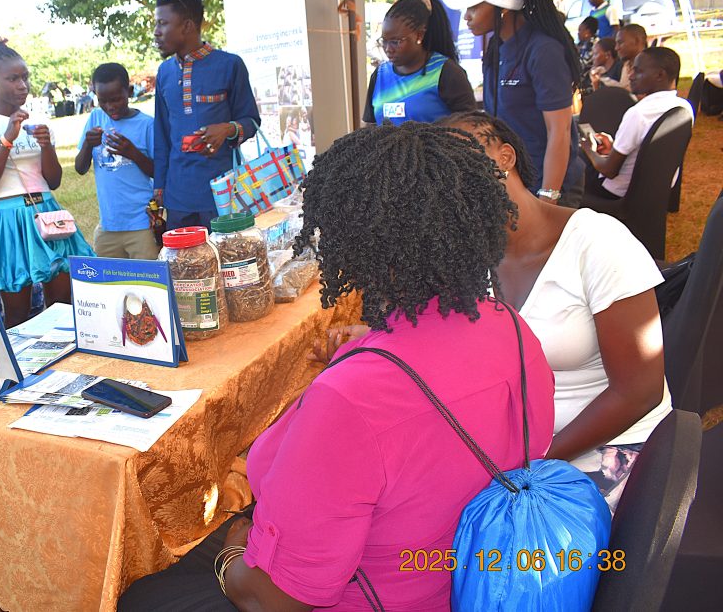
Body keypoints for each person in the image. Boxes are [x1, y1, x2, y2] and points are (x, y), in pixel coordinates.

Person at [119, 122, 556, 611]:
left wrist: (234, 553)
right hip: (471, 579)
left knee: (142, 596)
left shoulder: (353, 399)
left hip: (371, 598)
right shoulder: (513, 331)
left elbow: (275, 599)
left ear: (349, 243)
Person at [438, 111, 671, 511]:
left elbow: (639, 390)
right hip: (517, 450)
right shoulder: (469, 259)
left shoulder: (597, 243)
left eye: (461, 162)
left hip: (611, 447)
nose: (451, 181)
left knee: (501, 555)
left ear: (505, 157)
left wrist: (534, 463)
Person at [0, 39, 94, 326]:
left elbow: (54, 181)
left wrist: (46, 146)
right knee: (18, 315)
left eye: (25, 77)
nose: (23, 85)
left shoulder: (40, 121)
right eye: (13, 78)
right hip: (8, 220)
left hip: (46, 211)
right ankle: (23, 370)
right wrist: (8, 137)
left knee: (63, 306)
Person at [442, 0, 584, 207]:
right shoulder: (498, 49)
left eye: (474, 7)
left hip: (550, 184)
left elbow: (560, 131)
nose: (466, 17)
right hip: (516, 179)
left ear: (502, 6)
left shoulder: (543, 51)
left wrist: (548, 198)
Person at [153, 0, 260, 230]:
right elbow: (161, 135)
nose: (156, 32)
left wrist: (227, 129)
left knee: (227, 265)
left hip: (223, 195)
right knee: (184, 267)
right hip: (178, 198)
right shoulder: (164, 73)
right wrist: (159, 188)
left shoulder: (230, 65)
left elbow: (251, 122)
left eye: (163, 23)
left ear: (187, 26)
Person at [581, 47, 693, 199]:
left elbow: (609, 171)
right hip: (655, 190)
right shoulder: (683, 108)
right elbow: (647, 151)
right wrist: (615, 148)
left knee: (576, 169)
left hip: (618, 193)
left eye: (638, 71)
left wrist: (588, 149)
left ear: (660, 75)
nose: (631, 76)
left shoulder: (639, 113)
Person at [74, 62, 159, 260]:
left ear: (128, 92)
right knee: (109, 285)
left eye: (116, 99)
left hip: (141, 224)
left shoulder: (147, 125)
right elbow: (80, 168)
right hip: (108, 225)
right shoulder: (96, 118)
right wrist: (88, 144)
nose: (110, 106)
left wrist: (133, 153)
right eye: (103, 100)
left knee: (148, 283)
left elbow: (159, 172)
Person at [362, 0, 475, 126]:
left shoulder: (446, 72)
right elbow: (370, 126)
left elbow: (471, 126)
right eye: (384, 41)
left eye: (395, 42)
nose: (388, 49)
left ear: (419, 35)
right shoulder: (380, 75)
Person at [601, 24, 648, 93]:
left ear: (637, 41)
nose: (616, 48)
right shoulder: (624, 66)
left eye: (620, 43)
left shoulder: (652, 67)